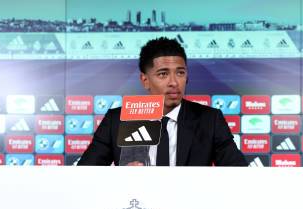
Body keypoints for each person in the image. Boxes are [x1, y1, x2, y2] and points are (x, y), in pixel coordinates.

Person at [78, 37, 247, 166]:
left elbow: (239, 174)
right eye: (163, 74)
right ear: (145, 80)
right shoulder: (117, 120)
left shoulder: (210, 120)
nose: (174, 82)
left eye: (180, 73)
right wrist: (122, 179)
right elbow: (84, 175)